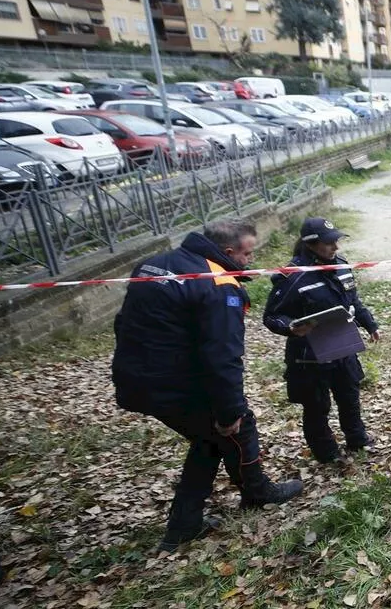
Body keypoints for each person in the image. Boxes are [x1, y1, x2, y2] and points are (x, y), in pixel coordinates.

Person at [111, 219, 303, 554]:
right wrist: (230, 411)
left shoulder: (155, 263)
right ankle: (257, 493)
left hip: (134, 374)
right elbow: (222, 355)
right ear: (228, 251)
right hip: (171, 381)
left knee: (208, 439)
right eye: (247, 254)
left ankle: (185, 525)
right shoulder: (219, 284)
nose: (250, 261)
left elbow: (123, 321)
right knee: (234, 427)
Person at [263, 217, 380, 465]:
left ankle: (357, 439)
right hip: (309, 355)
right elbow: (272, 316)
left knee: (349, 395)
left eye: (335, 241)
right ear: (311, 245)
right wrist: (292, 328)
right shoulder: (292, 277)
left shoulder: (341, 266)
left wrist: (370, 324)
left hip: (342, 344)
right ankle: (326, 453)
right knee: (317, 406)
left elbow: (353, 301)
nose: (335, 248)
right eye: (328, 244)